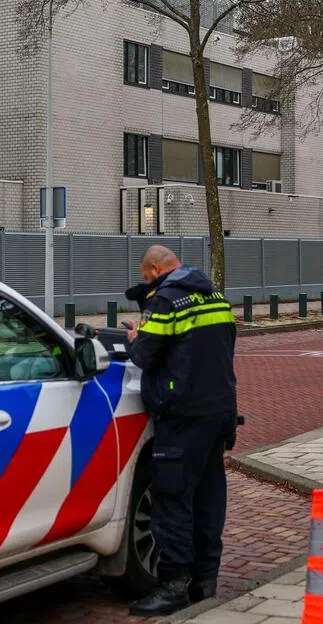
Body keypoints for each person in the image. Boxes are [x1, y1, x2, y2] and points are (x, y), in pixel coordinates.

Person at [122, 246, 237, 617]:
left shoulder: (166, 301)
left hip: (182, 415)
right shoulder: (215, 296)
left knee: (172, 501)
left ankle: (173, 587)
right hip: (218, 410)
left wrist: (138, 335)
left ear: (155, 270)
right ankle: (205, 581)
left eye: (146, 278)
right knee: (208, 498)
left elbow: (144, 356)